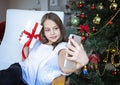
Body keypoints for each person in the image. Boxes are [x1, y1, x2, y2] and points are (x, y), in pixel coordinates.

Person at [0, 12, 89, 85]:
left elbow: (64, 68)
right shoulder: (38, 42)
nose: (52, 33)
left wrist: (81, 64)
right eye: (47, 30)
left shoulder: (62, 47)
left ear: (61, 28)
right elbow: (24, 60)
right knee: (6, 78)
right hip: (19, 71)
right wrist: (26, 42)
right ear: (43, 31)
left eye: (55, 28)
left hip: (27, 83)